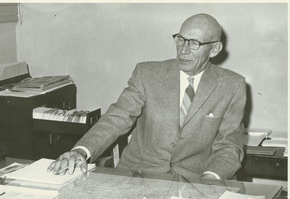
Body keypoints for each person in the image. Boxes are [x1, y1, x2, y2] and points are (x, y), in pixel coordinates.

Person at [47, 13, 246, 180]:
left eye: (194, 43)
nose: (183, 50)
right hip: (138, 176)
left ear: (215, 49)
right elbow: (117, 118)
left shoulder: (231, 86)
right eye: (180, 39)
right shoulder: (147, 74)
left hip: (195, 181)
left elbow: (229, 146)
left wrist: (209, 179)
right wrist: (81, 151)